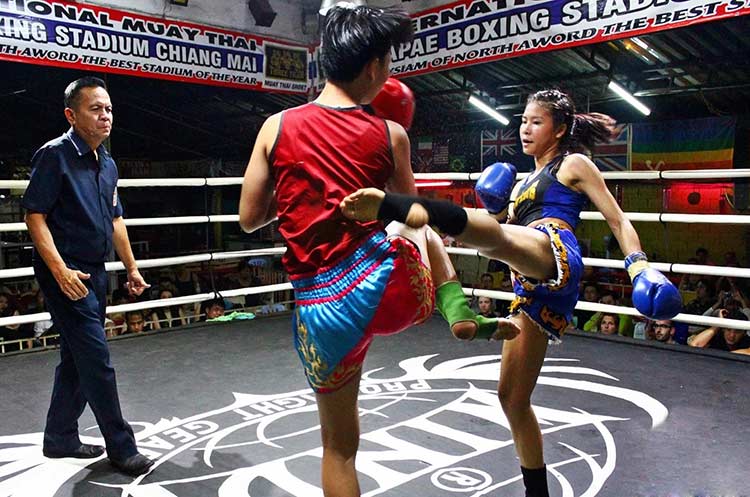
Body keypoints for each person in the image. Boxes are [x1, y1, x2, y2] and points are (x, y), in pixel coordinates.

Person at [340, 88, 681, 497]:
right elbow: (489, 231)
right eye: (523, 120)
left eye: (536, 122)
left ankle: (412, 207)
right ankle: (537, 491)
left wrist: (638, 264)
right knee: (511, 398)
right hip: (527, 286)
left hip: (553, 249)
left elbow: (617, 219)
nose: (526, 128)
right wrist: (490, 208)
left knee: (495, 237)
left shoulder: (573, 163)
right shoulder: (520, 182)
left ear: (561, 129)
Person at [238, 6, 517, 496]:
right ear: (373, 68)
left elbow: (250, 218)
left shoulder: (276, 127)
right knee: (424, 228)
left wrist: (305, 194)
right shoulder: (391, 134)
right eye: (388, 61)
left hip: (320, 308)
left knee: (338, 448)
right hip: (388, 290)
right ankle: (457, 307)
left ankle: (455, 309)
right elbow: (408, 214)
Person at [22, 77, 153, 476]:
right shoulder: (54, 155)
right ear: (71, 114)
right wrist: (59, 269)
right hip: (66, 272)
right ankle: (121, 446)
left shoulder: (107, 163)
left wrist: (130, 268)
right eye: (96, 108)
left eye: (109, 108)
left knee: (76, 359)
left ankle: (60, 436)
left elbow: (115, 219)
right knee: (96, 359)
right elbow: (34, 215)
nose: (105, 116)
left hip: (95, 272)